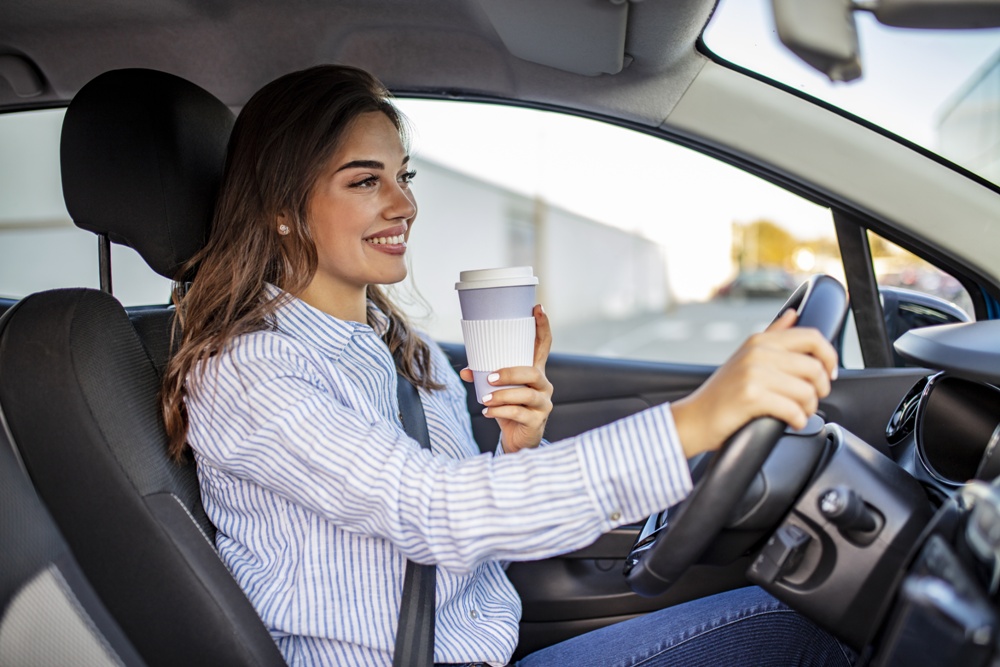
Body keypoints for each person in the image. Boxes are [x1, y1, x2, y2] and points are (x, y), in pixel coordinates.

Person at [161, 64, 852, 667]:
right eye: (365, 181)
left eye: (402, 176)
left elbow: (463, 524)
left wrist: (520, 445)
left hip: (492, 648)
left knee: (813, 615)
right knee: (819, 629)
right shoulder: (249, 371)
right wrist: (699, 419)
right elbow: (434, 510)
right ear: (283, 210)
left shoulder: (405, 347)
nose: (404, 204)